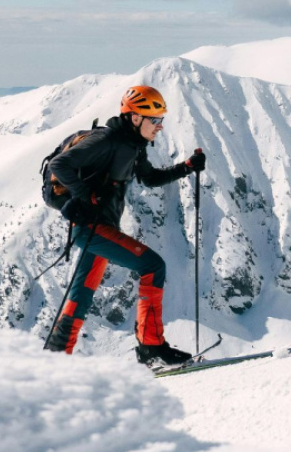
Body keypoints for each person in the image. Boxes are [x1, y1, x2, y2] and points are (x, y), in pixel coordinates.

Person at [44, 84, 206, 366]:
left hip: (100, 229)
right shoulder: (106, 141)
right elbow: (60, 164)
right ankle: (151, 346)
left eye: (161, 120)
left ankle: (55, 361)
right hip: (91, 230)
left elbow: (151, 178)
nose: (160, 126)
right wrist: (88, 195)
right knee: (153, 266)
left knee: (80, 294)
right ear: (134, 117)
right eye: (154, 120)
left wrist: (188, 167)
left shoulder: (133, 146)